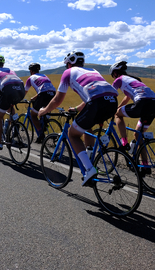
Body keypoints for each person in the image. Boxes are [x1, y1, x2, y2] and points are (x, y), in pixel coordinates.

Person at [38, 51, 118, 186]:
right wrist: (76, 109)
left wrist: (44, 111)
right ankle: (90, 155)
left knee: (72, 135)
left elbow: (57, 99)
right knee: (87, 126)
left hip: (96, 103)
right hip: (112, 101)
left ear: (69, 64)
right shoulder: (92, 70)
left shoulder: (68, 72)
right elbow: (92, 95)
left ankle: (89, 169)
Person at [110, 61, 155, 174]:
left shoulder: (118, 80)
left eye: (113, 75)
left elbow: (110, 94)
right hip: (154, 105)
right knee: (138, 135)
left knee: (118, 114)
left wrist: (114, 111)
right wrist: (118, 107)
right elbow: (126, 99)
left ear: (116, 73)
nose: (113, 78)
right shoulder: (134, 80)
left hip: (141, 103)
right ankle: (145, 166)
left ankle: (124, 143)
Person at [24, 63, 57, 143]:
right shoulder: (44, 75)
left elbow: (24, 92)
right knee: (44, 111)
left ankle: (41, 133)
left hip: (43, 95)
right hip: (53, 94)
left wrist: (18, 99)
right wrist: (34, 98)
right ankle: (44, 122)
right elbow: (46, 88)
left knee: (33, 115)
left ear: (31, 71)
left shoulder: (30, 78)